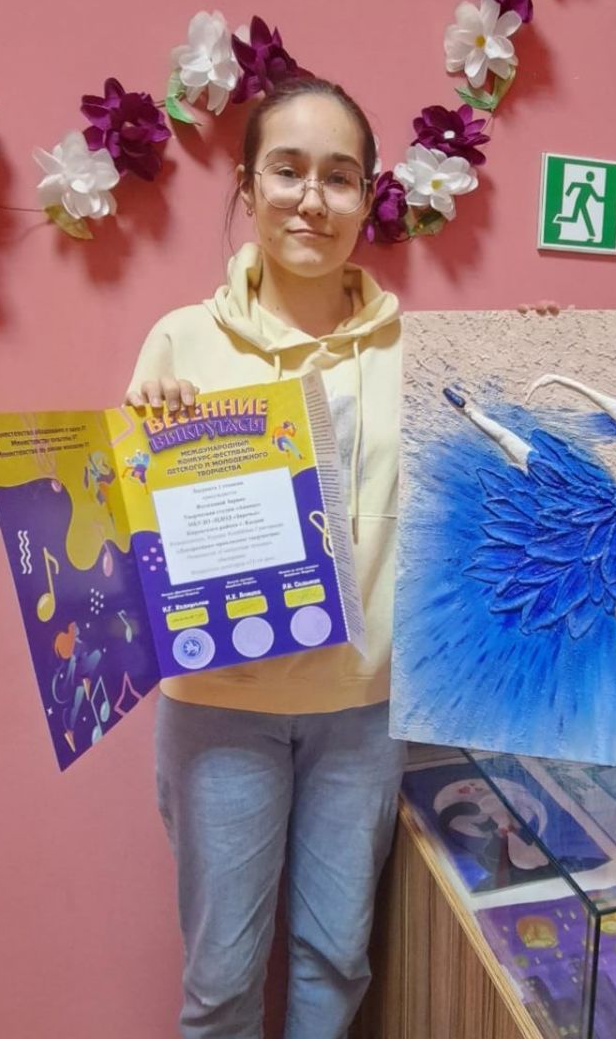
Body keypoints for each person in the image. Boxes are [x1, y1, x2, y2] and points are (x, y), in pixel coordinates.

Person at [124, 77, 406, 1039]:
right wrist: (149, 433)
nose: (311, 199)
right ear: (247, 188)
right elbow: (141, 532)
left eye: (340, 176)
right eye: (287, 171)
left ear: (366, 197)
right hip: (221, 707)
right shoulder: (181, 338)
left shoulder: (415, 349)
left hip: (362, 710)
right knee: (221, 984)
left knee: (335, 962)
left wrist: (538, 346)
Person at [444, 373, 616, 718]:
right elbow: (604, 401)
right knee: (528, 456)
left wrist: (557, 380)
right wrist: (557, 379)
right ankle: (471, 412)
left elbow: (605, 403)